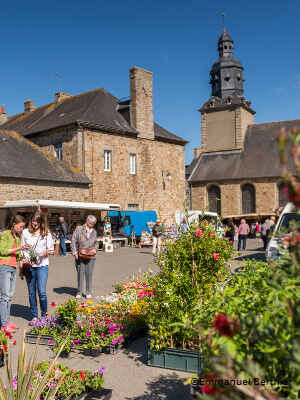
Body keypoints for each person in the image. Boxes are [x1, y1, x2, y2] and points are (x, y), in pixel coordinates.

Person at [21, 210, 54, 321]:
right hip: (29, 265)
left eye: (38, 222)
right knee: (31, 292)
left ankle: (44, 316)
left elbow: (51, 250)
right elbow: (22, 249)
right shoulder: (25, 232)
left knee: (42, 292)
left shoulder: (46, 233)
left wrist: (43, 253)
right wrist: (24, 261)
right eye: (33, 221)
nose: (35, 224)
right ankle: (34, 316)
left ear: (42, 222)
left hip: (42, 265)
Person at [0, 215, 27, 333]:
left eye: (23, 227)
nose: (22, 229)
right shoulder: (6, 234)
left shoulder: (17, 237)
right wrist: (18, 249)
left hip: (13, 267)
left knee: (10, 296)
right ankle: (4, 324)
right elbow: (2, 251)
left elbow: (18, 254)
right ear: (14, 224)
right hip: (4, 266)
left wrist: (23, 257)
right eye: (20, 227)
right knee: (5, 297)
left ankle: (7, 321)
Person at [70, 215, 99, 300]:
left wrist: (95, 249)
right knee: (80, 274)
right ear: (86, 221)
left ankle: (88, 292)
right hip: (80, 255)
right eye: (89, 223)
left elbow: (96, 243)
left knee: (89, 274)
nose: (90, 225)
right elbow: (73, 240)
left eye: (92, 224)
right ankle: (79, 292)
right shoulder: (79, 229)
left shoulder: (94, 232)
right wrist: (74, 251)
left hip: (91, 256)